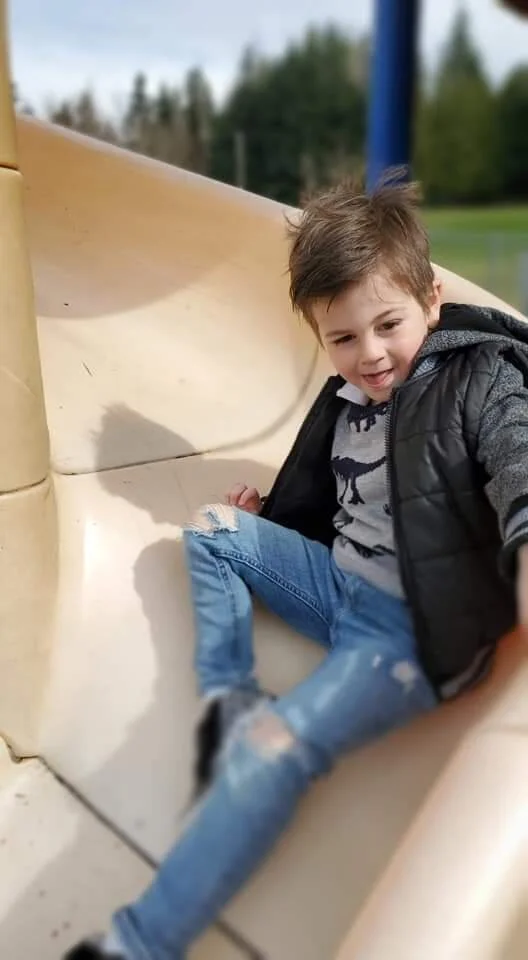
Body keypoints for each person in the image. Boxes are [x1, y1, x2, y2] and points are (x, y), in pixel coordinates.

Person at [65, 177, 528, 960]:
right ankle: (228, 694)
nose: (369, 354)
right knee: (214, 530)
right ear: (318, 334)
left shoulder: (477, 379)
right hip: (337, 585)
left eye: (388, 325)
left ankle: (136, 946)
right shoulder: (347, 399)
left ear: (432, 301)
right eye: (342, 337)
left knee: (272, 753)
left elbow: (518, 462)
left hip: (408, 631)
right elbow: (341, 500)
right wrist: (269, 517)